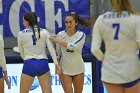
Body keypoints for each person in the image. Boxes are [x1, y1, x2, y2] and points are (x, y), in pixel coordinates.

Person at [91, 0, 140, 93]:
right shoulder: (135, 18)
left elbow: (94, 50)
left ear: (111, 2)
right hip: (131, 70)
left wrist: (105, 60)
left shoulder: (101, 19)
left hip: (110, 72)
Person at [17, 12, 61, 93]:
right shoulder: (44, 32)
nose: (23, 23)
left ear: (27, 22)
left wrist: (27, 60)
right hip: (43, 63)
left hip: (29, 63)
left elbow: (21, 53)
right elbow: (51, 49)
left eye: (23, 21)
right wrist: (56, 64)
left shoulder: (20, 34)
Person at [50, 12, 91, 93]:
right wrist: (57, 66)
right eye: (66, 22)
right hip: (64, 69)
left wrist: (59, 41)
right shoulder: (60, 35)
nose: (68, 24)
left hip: (78, 69)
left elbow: (73, 47)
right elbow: (58, 54)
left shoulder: (81, 35)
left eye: (70, 22)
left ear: (76, 23)